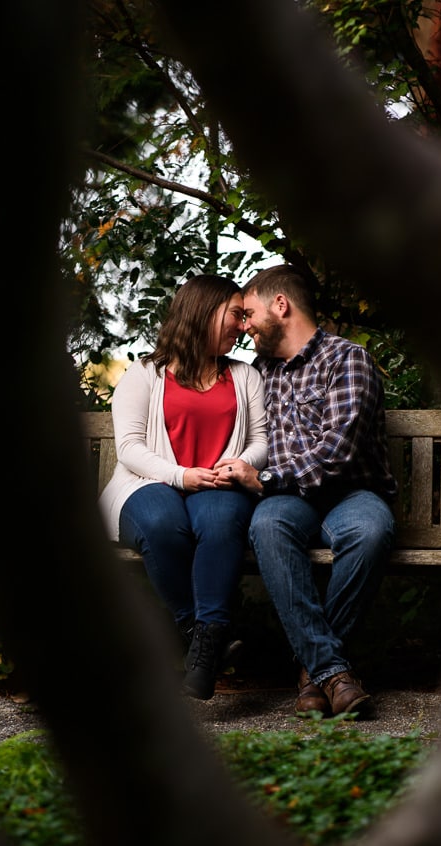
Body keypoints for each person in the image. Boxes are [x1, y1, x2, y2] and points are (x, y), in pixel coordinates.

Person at [217, 264, 397, 719]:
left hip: (351, 493)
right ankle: (333, 673)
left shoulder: (346, 359)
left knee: (372, 531)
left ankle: (312, 672)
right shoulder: (258, 373)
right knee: (269, 524)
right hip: (287, 503)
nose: (245, 325)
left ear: (281, 305)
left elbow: (336, 453)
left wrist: (269, 479)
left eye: (249, 312)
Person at [98, 274, 267, 701]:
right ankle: (206, 638)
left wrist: (242, 464)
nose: (243, 325)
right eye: (236, 314)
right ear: (204, 311)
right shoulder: (144, 375)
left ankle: (204, 642)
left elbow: (261, 439)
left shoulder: (246, 376)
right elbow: (130, 449)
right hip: (148, 482)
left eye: (245, 317)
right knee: (160, 522)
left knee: (221, 519)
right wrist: (181, 475)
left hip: (218, 485)